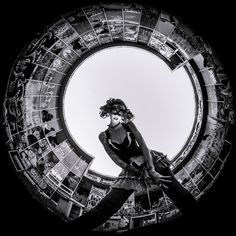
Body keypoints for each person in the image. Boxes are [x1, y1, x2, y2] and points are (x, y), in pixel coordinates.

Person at [70, 98, 197, 230]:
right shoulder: (103, 136)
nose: (118, 111)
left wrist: (151, 170)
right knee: (106, 207)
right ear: (109, 110)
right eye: (115, 108)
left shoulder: (129, 125)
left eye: (122, 109)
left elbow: (144, 146)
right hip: (130, 170)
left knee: (176, 191)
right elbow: (116, 159)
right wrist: (137, 170)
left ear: (125, 113)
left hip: (150, 160)